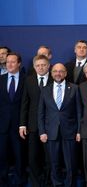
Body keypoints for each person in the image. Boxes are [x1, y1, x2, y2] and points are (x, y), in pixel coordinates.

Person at [38, 63, 82, 187]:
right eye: (55, 71)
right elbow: (41, 112)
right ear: (51, 74)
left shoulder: (74, 88)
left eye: (61, 71)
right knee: (54, 163)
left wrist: (79, 131)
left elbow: (79, 111)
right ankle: (56, 184)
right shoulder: (45, 89)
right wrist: (42, 131)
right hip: (51, 132)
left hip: (70, 132)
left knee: (71, 164)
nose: (58, 73)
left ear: (65, 73)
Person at [19, 55, 52, 187]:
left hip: (50, 126)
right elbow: (24, 104)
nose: (41, 67)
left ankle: (49, 182)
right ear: (34, 67)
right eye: (38, 65)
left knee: (49, 158)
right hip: (32, 126)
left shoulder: (55, 78)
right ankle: (36, 183)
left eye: (43, 65)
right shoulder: (29, 80)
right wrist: (22, 124)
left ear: (48, 65)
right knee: (32, 158)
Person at [0, 52, 25, 186]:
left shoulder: (26, 79)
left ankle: (20, 180)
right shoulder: (0, 79)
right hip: (2, 124)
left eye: (13, 62)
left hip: (19, 125)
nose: (9, 64)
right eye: (7, 62)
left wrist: (23, 123)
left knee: (19, 155)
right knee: (2, 155)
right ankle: (2, 181)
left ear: (19, 64)